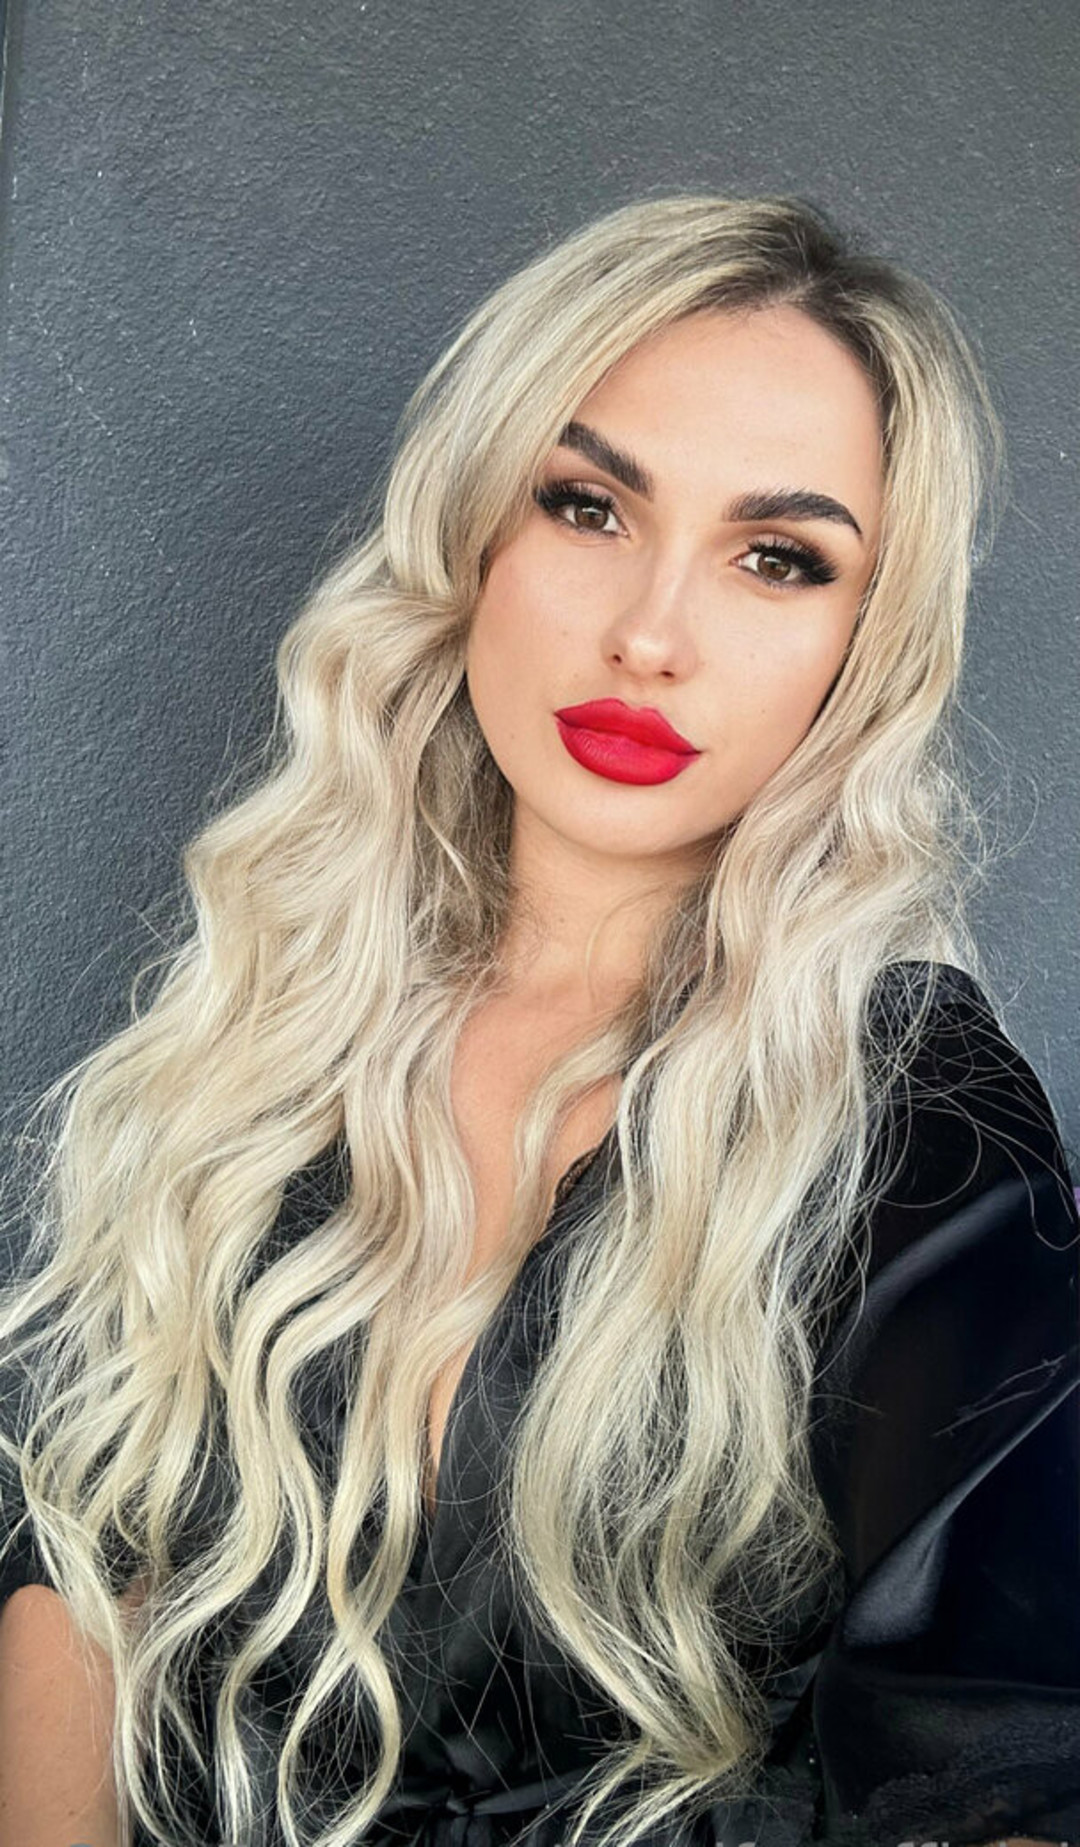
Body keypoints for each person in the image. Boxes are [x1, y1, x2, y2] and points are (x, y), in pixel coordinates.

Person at [0, 192, 1076, 1847]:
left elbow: (999, 1779)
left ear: (861, 650)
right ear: (474, 537)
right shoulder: (277, 1011)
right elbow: (71, 1538)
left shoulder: (915, 1127)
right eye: (588, 506)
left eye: (777, 559)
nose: (651, 634)